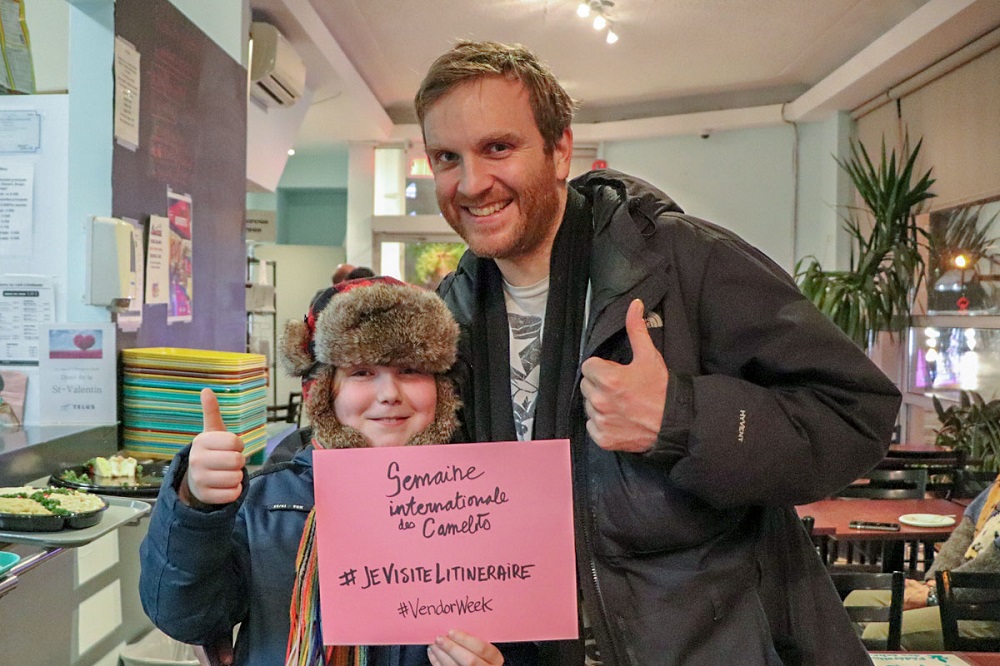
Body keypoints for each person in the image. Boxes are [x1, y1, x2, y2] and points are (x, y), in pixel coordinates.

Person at [415, 40, 902, 665]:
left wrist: (680, 418)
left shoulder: (680, 261)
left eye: (498, 148)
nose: (472, 182)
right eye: (446, 157)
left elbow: (856, 414)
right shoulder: (448, 318)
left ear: (561, 149)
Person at [139, 277, 538, 666]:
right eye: (362, 372)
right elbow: (185, 615)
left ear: (442, 387)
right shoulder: (266, 502)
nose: (389, 393)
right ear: (323, 390)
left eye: (411, 370)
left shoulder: (482, 505)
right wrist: (197, 504)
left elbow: (525, 632)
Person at [845, 472, 1000, 649]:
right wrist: (934, 581)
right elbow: (965, 531)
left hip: (989, 611)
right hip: (963, 594)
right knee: (856, 603)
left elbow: (994, 567)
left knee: (881, 633)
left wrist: (934, 595)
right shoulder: (996, 488)